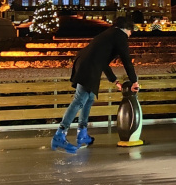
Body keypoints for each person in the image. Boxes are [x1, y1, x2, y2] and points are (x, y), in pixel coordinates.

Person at [51, 16, 140, 153]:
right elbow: (127, 60)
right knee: (79, 100)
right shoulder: (120, 35)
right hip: (89, 67)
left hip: (87, 63)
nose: (129, 36)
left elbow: (103, 62)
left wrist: (115, 81)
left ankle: (82, 133)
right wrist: (134, 81)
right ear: (128, 29)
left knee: (89, 98)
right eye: (130, 33)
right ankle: (60, 135)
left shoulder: (109, 34)